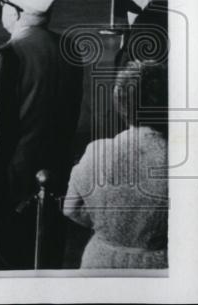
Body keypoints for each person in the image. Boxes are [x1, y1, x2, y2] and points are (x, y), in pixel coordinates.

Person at [0, 0, 82, 269]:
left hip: (15, 183)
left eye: (4, 5)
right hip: (57, 174)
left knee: (12, 262)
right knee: (49, 258)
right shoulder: (69, 49)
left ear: (15, 12)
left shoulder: (9, 54)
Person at [63, 61, 168, 269]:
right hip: (157, 268)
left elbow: (70, 209)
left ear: (120, 105)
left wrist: (108, 227)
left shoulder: (97, 152)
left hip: (100, 261)